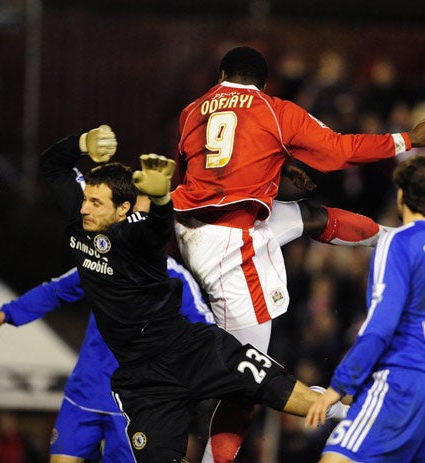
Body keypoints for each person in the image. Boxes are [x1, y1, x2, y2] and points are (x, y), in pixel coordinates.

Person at [170, 45, 425, 463]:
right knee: (246, 381)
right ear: (264, 82)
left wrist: (277, 164)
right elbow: (340, 151)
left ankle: (391, 238)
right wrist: (408, 138)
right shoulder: (273, 108)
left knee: (308, 216)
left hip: (195, 229)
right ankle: (332, 412)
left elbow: (199, 170)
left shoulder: (191, 111)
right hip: (232, 247)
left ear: (220, 75)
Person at [37, 126, 348, 463]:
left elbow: (156, 231)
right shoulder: (81, 218)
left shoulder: (137, 234)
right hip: (143, 381)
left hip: (189, 348)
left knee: (271, 386)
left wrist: (160, 202)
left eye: (96, 203)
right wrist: (82, 144)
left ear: (123, 208)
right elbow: (52, 165)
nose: (84, 209)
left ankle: (346, 414)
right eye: (86, 200)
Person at [0, 255, 214, 463]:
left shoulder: (173, 276)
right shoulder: (102, 262)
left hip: (134, 402)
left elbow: (206, 331)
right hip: (86, 390)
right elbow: (57, 290)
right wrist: (7, 313)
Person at [305, 155, 425, 463]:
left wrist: (339, 387)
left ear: (401, 195)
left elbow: (381, 326)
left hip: (401, 381)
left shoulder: (399, 242)